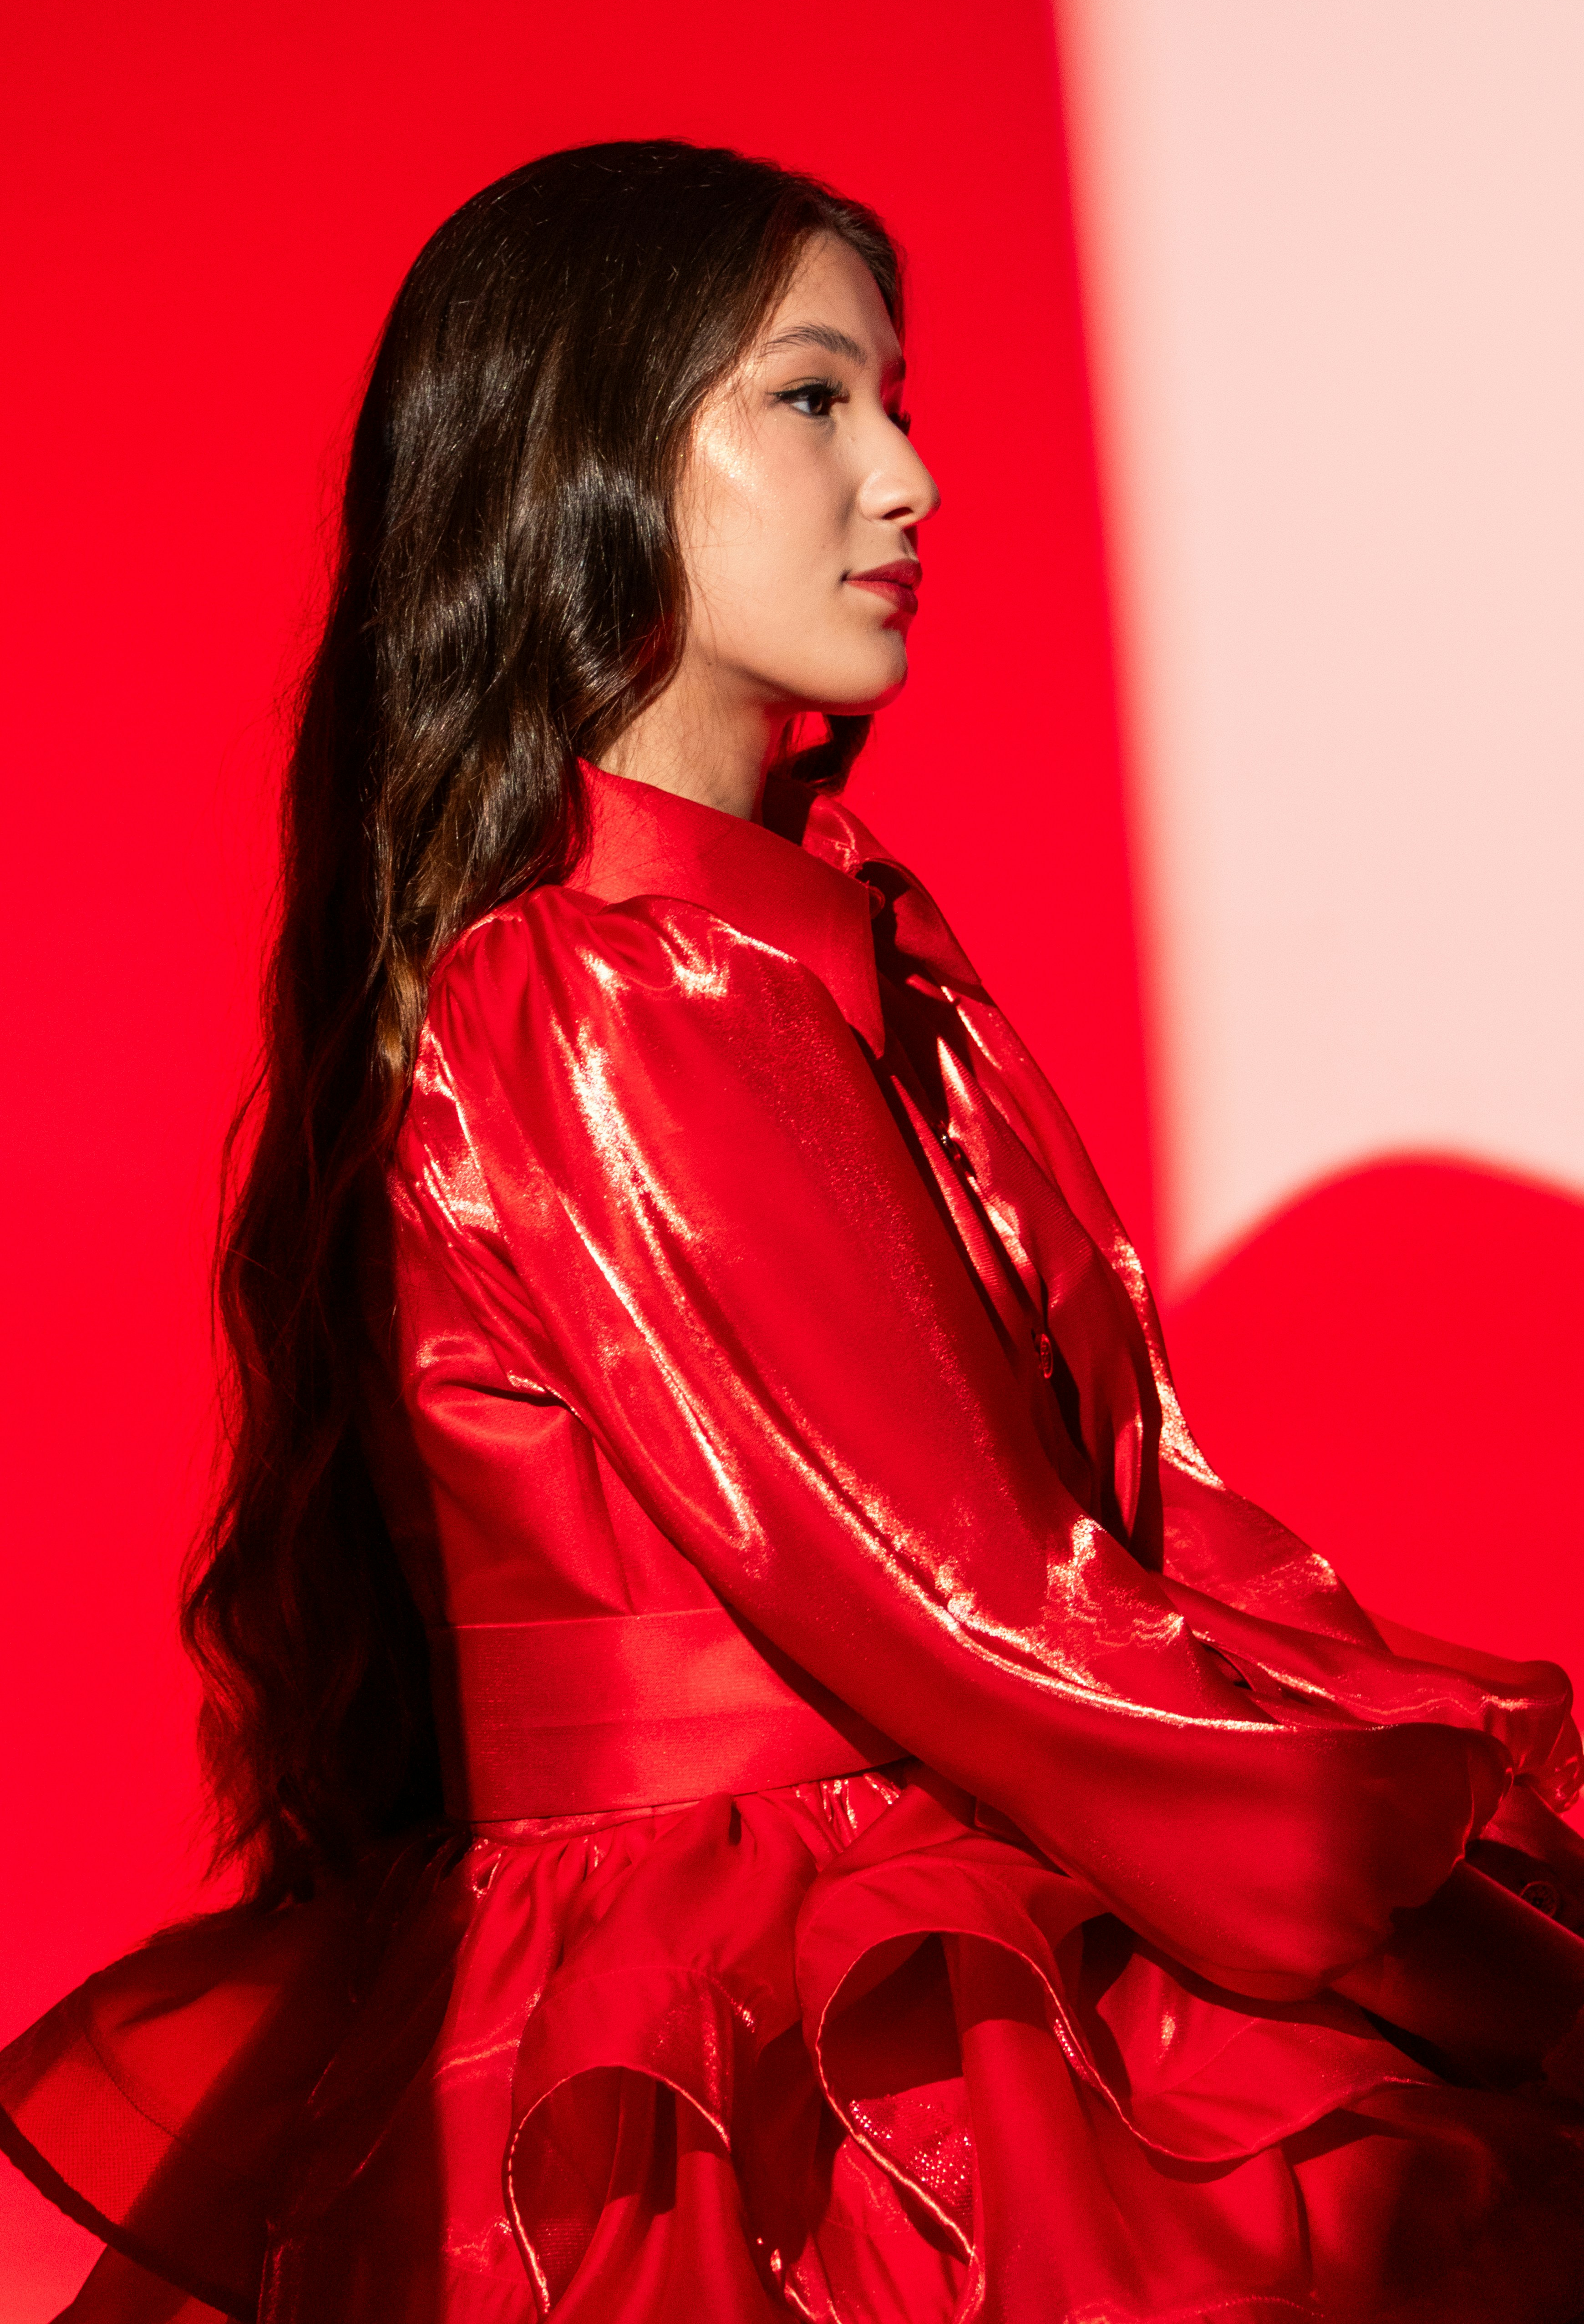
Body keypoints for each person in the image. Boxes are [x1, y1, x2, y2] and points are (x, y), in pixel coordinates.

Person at [3, 140, 1582, 2324]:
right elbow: (965, 1606)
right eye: (816, 401)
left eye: (899, 400)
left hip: (913, 1928)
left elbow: (1114, 1536)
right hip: (789, 2055)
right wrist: (1413, 1894)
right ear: (585, 463)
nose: (915, 480)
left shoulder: (836, 963)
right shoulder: (600, 984)